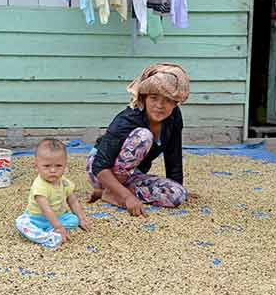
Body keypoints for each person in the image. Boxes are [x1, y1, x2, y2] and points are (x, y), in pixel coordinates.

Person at [86, 63, 194, 217]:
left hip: (132, 174)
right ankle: (111, 191)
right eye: (154, 98)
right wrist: (128, 197)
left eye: (168, 100)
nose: (160, 105)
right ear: (144, 97)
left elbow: (173, 155)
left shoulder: (174, 116)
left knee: (177, 195)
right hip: (102, 173)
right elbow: (100, 166)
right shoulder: (128, 119)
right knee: (143, 137)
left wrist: (178, 185)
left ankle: (110, 193)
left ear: (176, 102)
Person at [16, 138, 90, 248]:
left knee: (73, 220)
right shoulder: (39, 186)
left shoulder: (64, 182)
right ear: (36, 166)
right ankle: (48, 237)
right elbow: (46, 210)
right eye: (47, 166)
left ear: (65, 165)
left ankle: (49, 231)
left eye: (58, 166)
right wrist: (58, 227)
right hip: (37, 218)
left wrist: (81, 218)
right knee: (21, 224)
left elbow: (73, 201)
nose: (53, 170)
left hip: (58, 216)